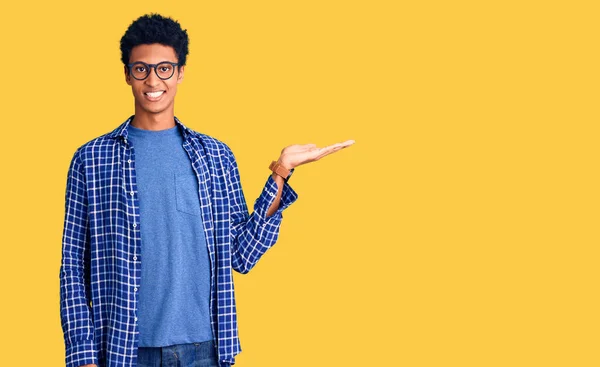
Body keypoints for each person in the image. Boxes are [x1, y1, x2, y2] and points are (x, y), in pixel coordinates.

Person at [59, 12, 353, 367]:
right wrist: (82, 355)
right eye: (142, 69)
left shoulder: (215, 156)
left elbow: (242, 254)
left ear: (181, 72)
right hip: (122, 351)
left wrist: (281, 171)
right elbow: (72, 267)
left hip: (205, 350)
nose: (153, 79)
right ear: (127, 74)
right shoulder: (91, 160)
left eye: (164, 68)